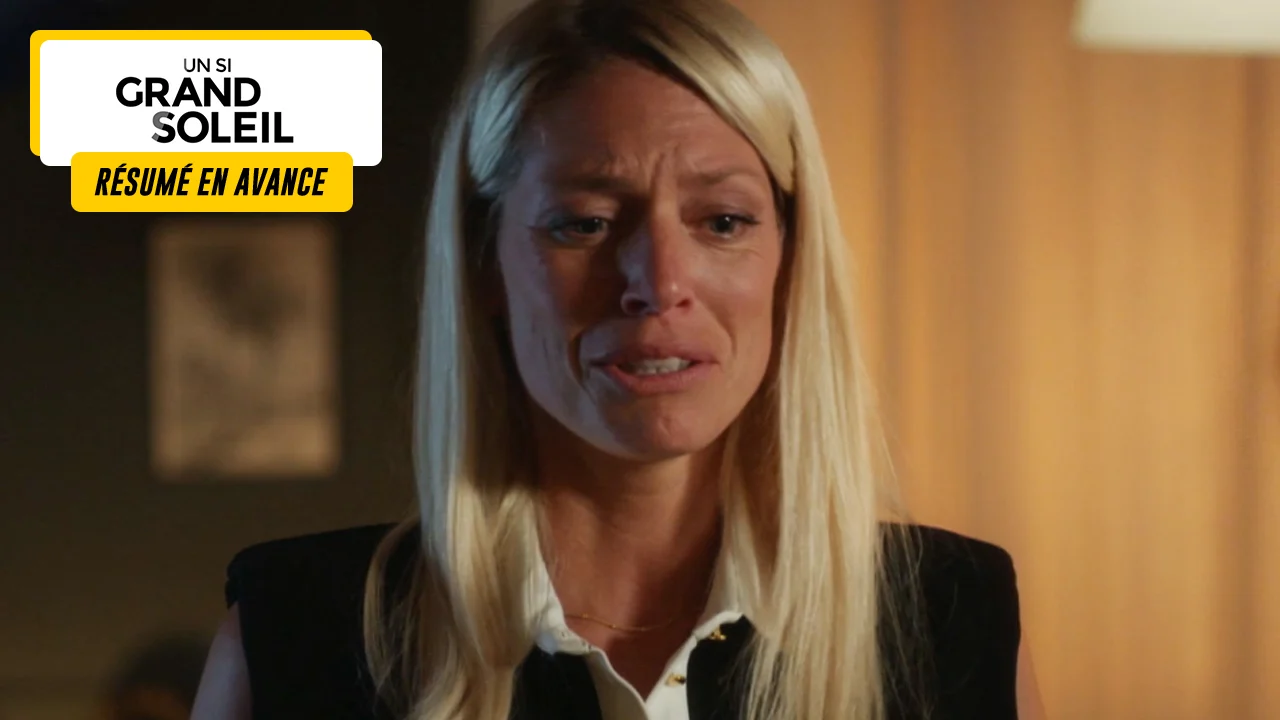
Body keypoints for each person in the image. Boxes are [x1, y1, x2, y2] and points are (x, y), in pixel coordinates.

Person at [191, 0, 1046, 717]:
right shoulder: (299, 634)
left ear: (791, 259)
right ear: (485, 264)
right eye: (586, 223)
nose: (660, 283)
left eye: (723, 222)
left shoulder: (953, 623)